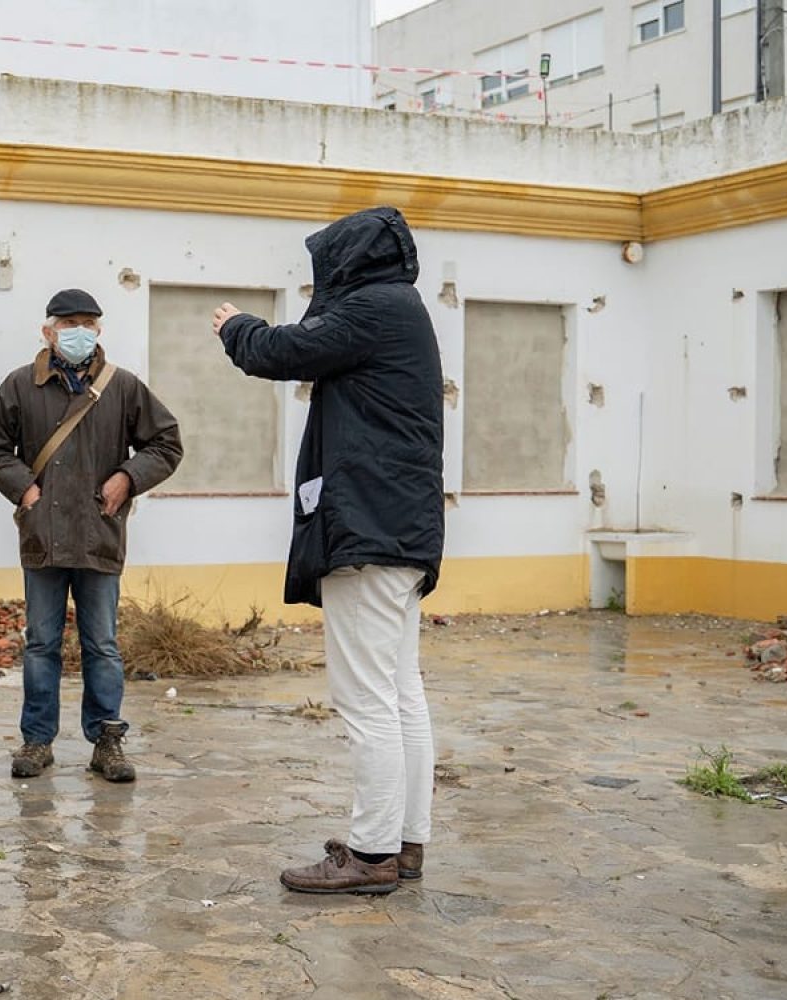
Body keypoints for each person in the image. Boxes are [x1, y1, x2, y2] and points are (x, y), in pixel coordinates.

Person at [211, 206, 445, 895]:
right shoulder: (400, 308)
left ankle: (371, 856)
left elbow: (280, 351)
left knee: (367, 699)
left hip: (368, 530)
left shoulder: (374, 308)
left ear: (350, 260)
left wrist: (235, 326)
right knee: (401, 695)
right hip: (399, 531)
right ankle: (404, 842)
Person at [0, 289, 183, 783]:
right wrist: (25, 490)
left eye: (88, 322)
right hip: (43, 537)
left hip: (99, 533)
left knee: (103, 644)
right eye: (69, 323)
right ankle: (37, 740)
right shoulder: (19, 386)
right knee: (41, 643)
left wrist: (128, 478)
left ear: (100, 331)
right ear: (47, 332)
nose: (79, 331)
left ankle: (107, 741)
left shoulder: (124, 387)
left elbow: (166, 442)